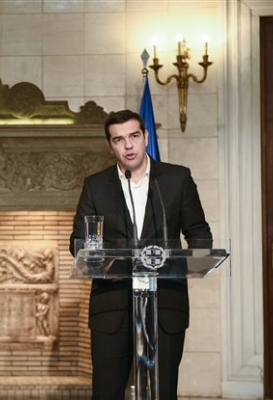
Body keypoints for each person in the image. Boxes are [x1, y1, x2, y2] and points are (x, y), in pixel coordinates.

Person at [69, 109, 212, 400]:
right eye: (118, 139)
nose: (128, 145)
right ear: (110, 146)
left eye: (134, 136)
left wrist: (194, 258)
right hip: (112, 307)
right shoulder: (96, 185)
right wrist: (94, 256)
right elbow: (78, 240)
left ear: (146, 137)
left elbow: (199, 232)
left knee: (162, 392)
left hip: (165, 304)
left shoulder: (176, 179)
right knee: (106, 394)